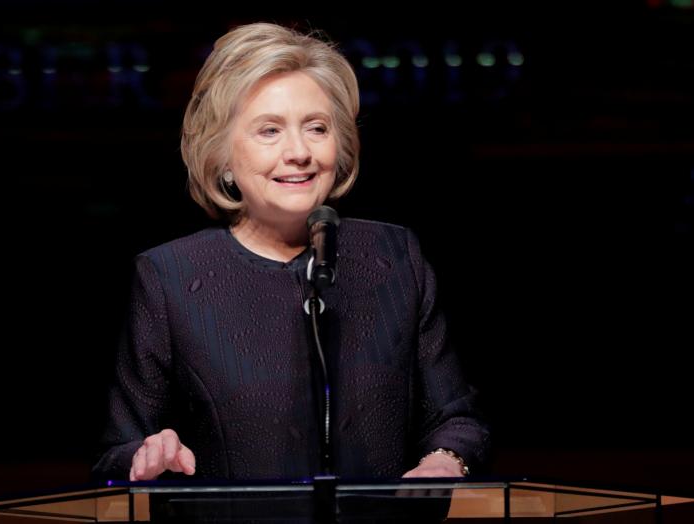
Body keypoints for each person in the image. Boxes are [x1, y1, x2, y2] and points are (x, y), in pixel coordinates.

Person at [92, 22, 490, 483]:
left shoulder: (393, 257)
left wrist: (445, 458)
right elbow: (115, 454)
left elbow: (458, 419)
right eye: (269, 131)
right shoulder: (171, 276)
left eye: (316, 128)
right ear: (221, 155)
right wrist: (146, 456)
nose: (298, 151)